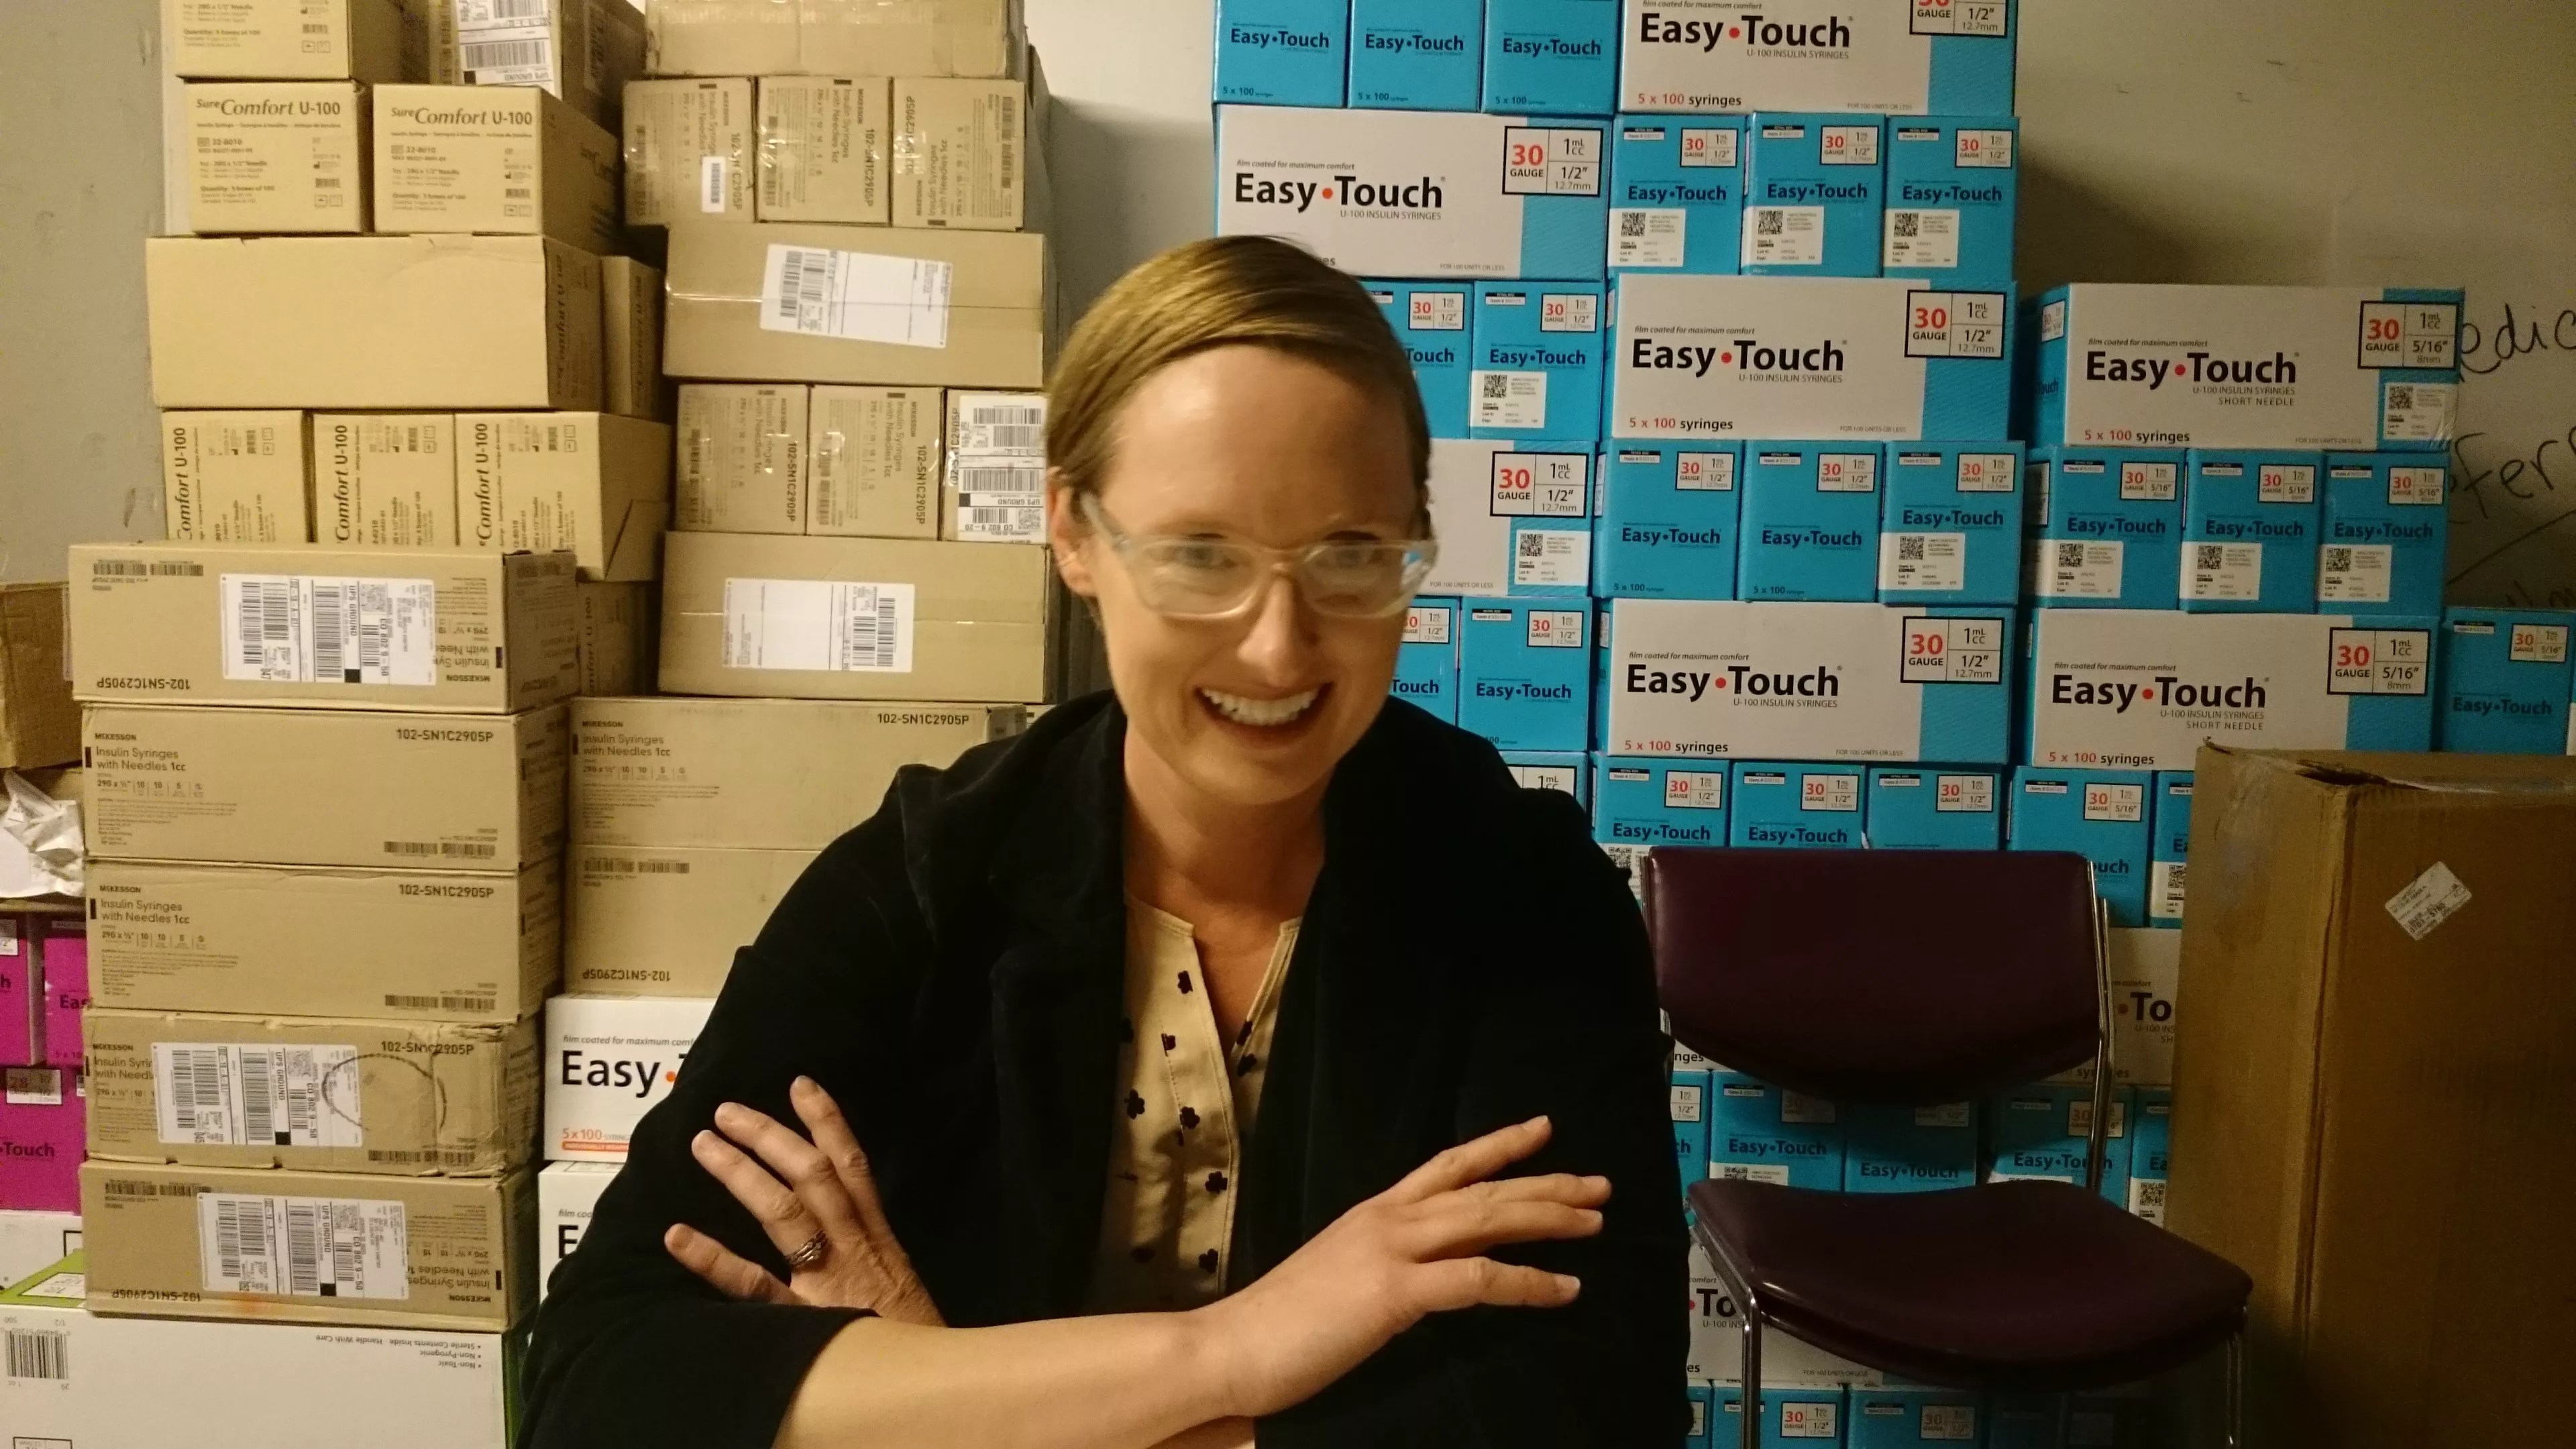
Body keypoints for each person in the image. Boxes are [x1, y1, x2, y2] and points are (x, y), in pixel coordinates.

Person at [521, 235, 1684, 1448]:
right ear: (1074, 534)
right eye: (1199, 556)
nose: (1278, 646)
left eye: (1349, 558)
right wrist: (1232, 1349)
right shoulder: (928, 885)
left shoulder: (1521, 895)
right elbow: (599, 1385)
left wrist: (943, 1398)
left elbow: (1596, 1408)